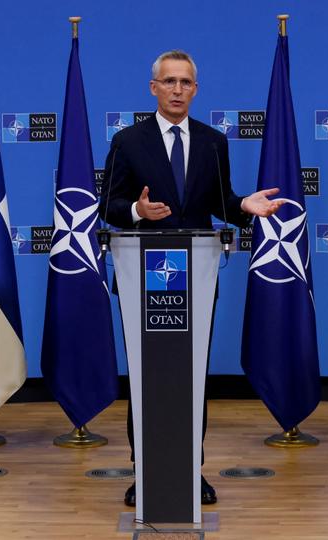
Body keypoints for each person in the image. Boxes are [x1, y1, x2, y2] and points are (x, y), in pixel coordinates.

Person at [100, 50, 283, 507]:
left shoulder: (212, 142)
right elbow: (108, 208)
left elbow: (219, 202)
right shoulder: (127, 141)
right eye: (169, 81)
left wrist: (243, 207)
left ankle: (190, 469)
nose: (178, 89)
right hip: (143, 277)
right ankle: (144, 472)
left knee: (192, 374)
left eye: (186, 83)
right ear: (153, 88)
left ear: (196, 90)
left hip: (196, 280)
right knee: (146, 376)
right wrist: (138, 212)